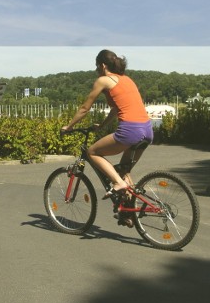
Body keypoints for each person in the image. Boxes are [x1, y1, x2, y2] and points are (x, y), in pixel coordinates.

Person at [62, 49, 153, 199]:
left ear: (103, 66)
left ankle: (118, 183)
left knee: (92, 152)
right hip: (147, 130)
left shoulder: (103, 80)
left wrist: (69, 127)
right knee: (124, 171)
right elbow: (116, 110)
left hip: (130, 131)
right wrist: (102, 125)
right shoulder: (127, 79)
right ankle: (129, 214)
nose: (96, 70)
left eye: (96, 66)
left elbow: (85, 108)